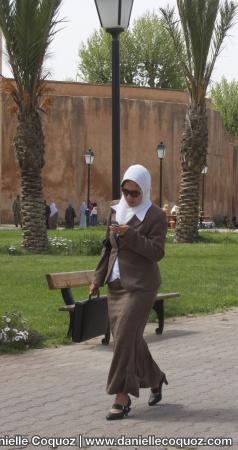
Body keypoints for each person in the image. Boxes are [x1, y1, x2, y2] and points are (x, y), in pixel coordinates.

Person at [90, 164, 168, 420]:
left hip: (141, 286)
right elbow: (107, 248)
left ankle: (121, 397)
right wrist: (97, 278)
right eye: (126, 191)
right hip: (115, 286)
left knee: (123, 337)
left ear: (144, 190)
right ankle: (155, 378)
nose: (129, 197)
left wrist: (131, 235)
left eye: (135, 193)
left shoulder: (155, 215)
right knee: (129, 339)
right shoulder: (115, 210)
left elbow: (157, 252)